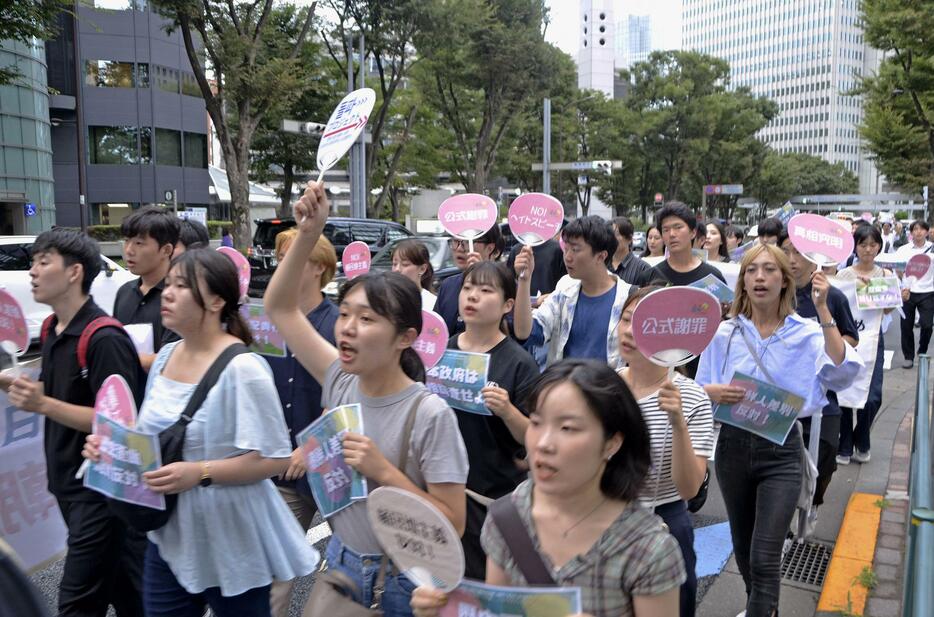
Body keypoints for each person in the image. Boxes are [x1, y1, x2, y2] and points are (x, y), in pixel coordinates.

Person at [265, 181, 469, 616]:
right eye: (343, 315)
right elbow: (280, 308)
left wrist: (383, 471)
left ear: (405, 338)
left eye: (367, 318)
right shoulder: (339, 378)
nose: (348, 328)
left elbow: (453, 522)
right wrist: (307, 233)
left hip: (402, 580)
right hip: (340, 563)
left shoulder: (428, 413)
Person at [82, 249, 317, 617]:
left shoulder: (244, 369)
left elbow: (274, 459)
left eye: (181, 285)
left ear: (217, 300)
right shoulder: (165, 357)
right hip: (171, 536)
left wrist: (201, 472)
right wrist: (111, 449)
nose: (168, 294)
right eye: (168, 284)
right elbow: (150, 439)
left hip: (232, 542)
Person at [411, 360, 686, 617]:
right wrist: (445, 609)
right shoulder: (507, 516)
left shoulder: (648, 549)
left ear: (612, 443)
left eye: (567, 428)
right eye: (537, 422)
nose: (543, 443)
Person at [696, 243, 860, 617]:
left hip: (782, 451)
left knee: (765, 553)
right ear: (743, 282)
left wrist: (823, 309)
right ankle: (764, 609)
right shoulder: (725, 334)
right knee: (743, 548)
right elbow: (698, 391)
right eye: (752, 270)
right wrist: (712, 391)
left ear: (785, 281)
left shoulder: (806, 333)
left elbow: (843, 371)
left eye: (770, 270)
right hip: (733, 451)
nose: (759, 277)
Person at [1, 229, 147, 617]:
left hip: (102, 492)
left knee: (77, 603)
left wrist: (43, 403)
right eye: (32, 261)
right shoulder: (52, 328)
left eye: (43, 261)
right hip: (66, 482)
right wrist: (12, 383)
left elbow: (118, 422)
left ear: (74, 272)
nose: (32, 271)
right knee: (129, 592)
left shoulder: (104, 338)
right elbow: (56, 390)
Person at [617, 286, 714, 617]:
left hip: (665, 521)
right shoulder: (604, 387)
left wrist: (677, 423)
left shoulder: (692, 397)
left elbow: (688, 488)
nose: (629, 331)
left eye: (643, 322)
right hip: (604, 519)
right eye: (626, 319)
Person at [448, 260, 540, 579]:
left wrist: (507, 411)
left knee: (486, 587)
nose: (472, 296)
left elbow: (535, 437)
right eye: (468, 288)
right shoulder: (444, 353)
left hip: (491, 498)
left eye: (485, 290)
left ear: (507, 305)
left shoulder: (520, 364)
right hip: (443, 491)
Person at [265, 229, 339, 617]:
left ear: (318, 267)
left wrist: (309, 447)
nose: (283, 265)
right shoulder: (266, 325)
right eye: (280, 257)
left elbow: (344, 398)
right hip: (282, 470)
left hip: (333, 470)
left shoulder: (341, 324)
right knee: (275, 571)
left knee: (352, 568)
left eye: (293, 256)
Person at [779, 232, 859, 529]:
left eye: (798, 253)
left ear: (815, 258)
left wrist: (823, 344)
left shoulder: (831, 295)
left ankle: (814, 501)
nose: (792, 260)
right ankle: (783, 523)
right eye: (786, 251)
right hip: (783, 395)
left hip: (823, 396)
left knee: (825, 456)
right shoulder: (777, 293)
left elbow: (851, 338)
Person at [513, 216, 632, 368]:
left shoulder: (627, 299)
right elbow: (524, 332)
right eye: (566, 249)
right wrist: (524, 280)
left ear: (601, 256)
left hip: (608, 390)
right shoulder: (564, 291)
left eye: (575, 250)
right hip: (564, 388)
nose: (567, 257)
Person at [835, 225, 892, 465]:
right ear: (855, 246)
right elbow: (835, 306)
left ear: (879, 246)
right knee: (845, 393)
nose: (868, 249)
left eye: (872, 244)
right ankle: (845, 446)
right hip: (847, 339)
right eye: (862, 244)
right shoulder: (843, 276)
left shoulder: (886, 275)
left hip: (873, 340)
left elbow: (888, 308)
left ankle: (862, 438)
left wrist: (882, 291)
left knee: (873, 397)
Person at [114, 206, 182, 371]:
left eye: (139, 243)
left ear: (166, 250)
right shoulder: (124, 292)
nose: (129, 250)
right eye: (127, 241)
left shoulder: (180, 296)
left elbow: (177, 358)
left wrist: (117, 356)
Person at [436, 225, 505, 335]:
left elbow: (518, 334)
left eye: (467, 242)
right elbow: (437, 331)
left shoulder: (505, 284)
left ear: (490, 248)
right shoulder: (448, 285)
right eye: (455, 241)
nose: (459, 248)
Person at [639, 203, 727, 288]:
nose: (672, 234)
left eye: (678, 227)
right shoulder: (649, 277)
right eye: (666, 230)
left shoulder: (712, 278)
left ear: (693, 232)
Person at [894, 219, 934, 368]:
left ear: (927, 232)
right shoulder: (903, 250)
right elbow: (897, 269)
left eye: (922, 229)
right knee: (906, 326)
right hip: (908, 292)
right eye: (915, 229)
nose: (919, 232)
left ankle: (922, 350)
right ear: (911, 233)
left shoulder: (932, 248)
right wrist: (902, 282)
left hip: (928, 291)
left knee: (927, 325)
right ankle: (908, 356)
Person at [506, 236, 567, 302]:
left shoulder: (558, 249)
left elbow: (566, 287)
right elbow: (508, 287)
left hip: (550, 307)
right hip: (521, 306)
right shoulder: (516, 250)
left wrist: (547, 298)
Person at [392, 239, 437, 310]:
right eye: (394, 264)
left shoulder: (432, 304)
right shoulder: (386, 299)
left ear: (422, 269)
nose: (397, 269)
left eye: (405, 264)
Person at [610, 216, 653, 285]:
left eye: (616, 234)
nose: (612, 238)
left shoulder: (643, 269)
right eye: (610, 234)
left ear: (629, 239)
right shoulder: (601, 265)